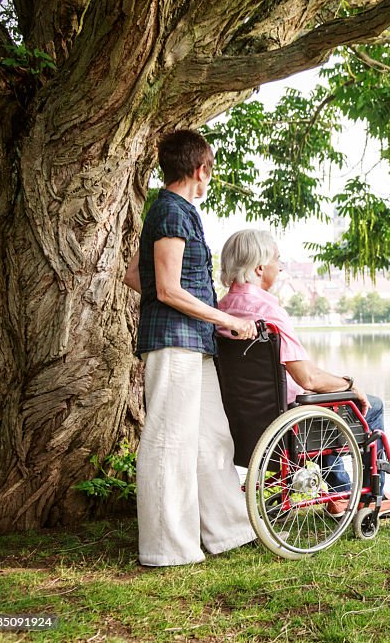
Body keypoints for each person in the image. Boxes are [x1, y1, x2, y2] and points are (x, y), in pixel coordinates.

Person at [123, 130, 258, 566]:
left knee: (211, 437)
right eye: (209, 172)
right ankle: (166, 549)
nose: (209, 180)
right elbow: (165, 288)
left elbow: (133, 274)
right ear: (199, 170)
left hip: (193, 343)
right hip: (173, 344)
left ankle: (228, 531)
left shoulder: (174, 212)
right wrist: (229, 319)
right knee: (169, 441)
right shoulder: (171, 211)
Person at [216, 229, 390, 516]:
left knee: (321, 407)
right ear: (259, 268)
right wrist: (349, 383)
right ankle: (372, 499)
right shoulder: (269, 312)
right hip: (288, 427)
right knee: (368, 405)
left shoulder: (221, 310)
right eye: (277, 260)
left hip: (244, 426)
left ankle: (339, 493)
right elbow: (308, 379)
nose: (280, 267)